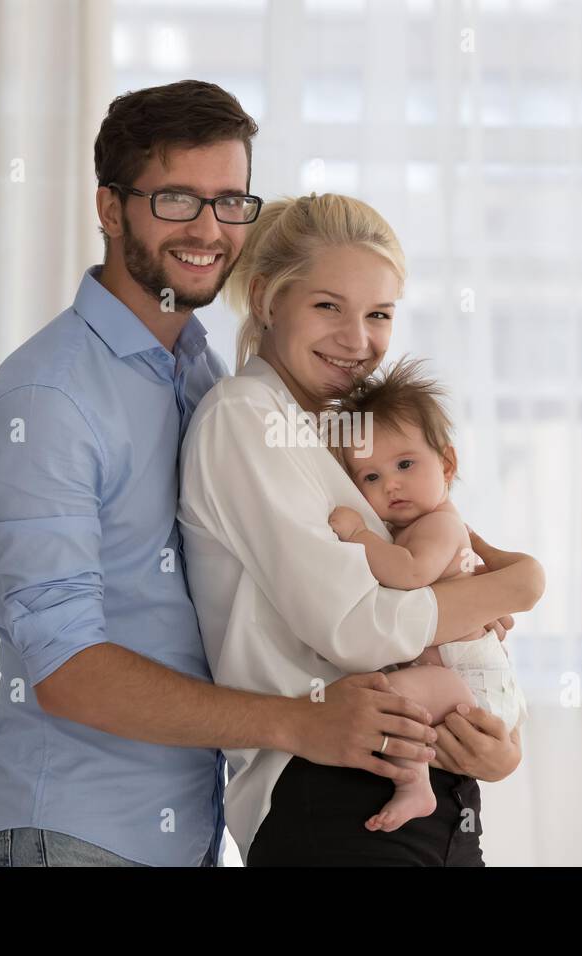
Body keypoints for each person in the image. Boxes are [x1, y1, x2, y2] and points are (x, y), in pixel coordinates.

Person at [0, 81, 440, 868]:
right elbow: (66, 670)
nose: (210, 230)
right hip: (73, 836)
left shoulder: (203, 373)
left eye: (230, 202)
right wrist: (298, 720)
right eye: (177, 199)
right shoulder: (48, 401)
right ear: (110, 209)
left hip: (188, 831)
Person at [178, 193, 545, 866]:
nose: (358, 340)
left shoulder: (342, 440)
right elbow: (356, 626)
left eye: (378, 315)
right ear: (264, 298)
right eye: (328, 306)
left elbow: (426, 609)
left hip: (423, 786)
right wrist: (514, 588)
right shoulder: (245, 418)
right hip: (335, 798)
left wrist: (497, 742)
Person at [327, 357, 531, 833]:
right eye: (370, 478)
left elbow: (411, 573)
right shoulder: (414, 523)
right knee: (395, 700)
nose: (390, 484)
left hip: (472, 685)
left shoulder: (439, 523)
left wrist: (359, 534)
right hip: (462, 676)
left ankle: (415, 787)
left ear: (447, 463)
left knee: (389, 698)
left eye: (404, 464)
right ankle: (416, 783)